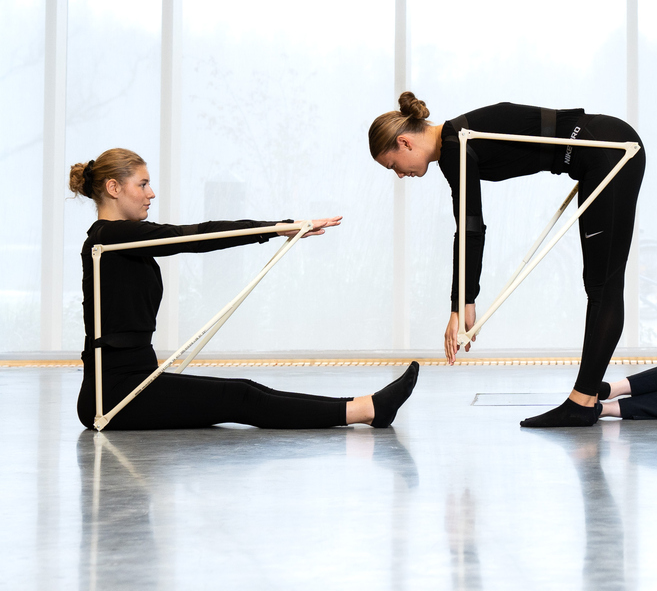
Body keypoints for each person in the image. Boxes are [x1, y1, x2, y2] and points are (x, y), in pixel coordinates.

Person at [73, 148, 418, 430]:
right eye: (143, 184)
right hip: (115, 396)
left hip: (132, 382)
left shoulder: (121, 241)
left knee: (243, 392)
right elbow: (194, 235)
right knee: (240, 396)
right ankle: (367, 410)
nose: (151, 193)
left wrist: (280, 228)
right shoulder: (109, 237)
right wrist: (278, 227)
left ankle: (366, 407)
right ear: (114, 188)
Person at [369, 93, 645, 427]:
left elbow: (470, 229)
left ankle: (582, 403)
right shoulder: (456, 141)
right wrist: (464, 300)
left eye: (392, 165)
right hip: (602, 149)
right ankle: (584, 399)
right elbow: (469, 226)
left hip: (611, 149)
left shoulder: (457, 144)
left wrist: (461, 304)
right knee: (599, 285)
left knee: (604, 286)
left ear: (404, 142)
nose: (399, 175)